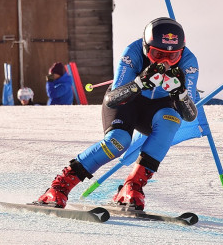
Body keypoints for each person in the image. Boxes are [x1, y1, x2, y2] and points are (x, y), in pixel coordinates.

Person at [36, 17, 199, 210]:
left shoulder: (188, 62)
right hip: (127, 102)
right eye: (157, 54)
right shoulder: (133, 53)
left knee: (170, 122)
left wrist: (180, 94)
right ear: (146, 47)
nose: (165, 62)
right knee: (118, 142)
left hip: (158, 109)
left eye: (172, 57)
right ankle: (59, 187)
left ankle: (133, 187)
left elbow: (189, 115)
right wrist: (139, 83)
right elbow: (113, 99)